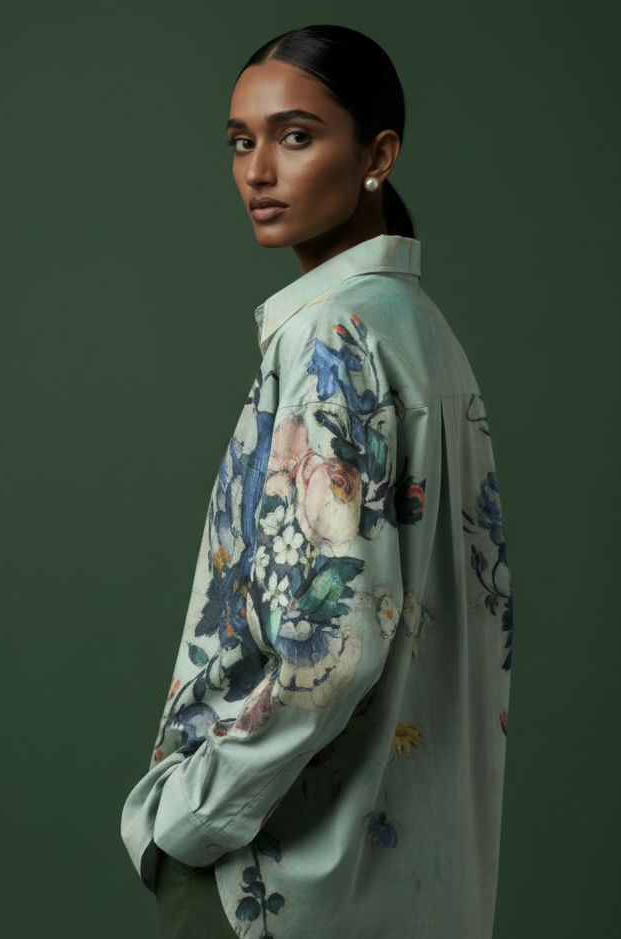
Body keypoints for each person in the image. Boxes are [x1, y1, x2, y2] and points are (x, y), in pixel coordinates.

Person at [121, 24, 513, 939]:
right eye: (240, 141)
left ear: (377, 153)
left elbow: (326, 643)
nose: (258, 169)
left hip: (277, 884)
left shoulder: (333, 335)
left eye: (295, 136)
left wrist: (186, 820)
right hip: (422, 887)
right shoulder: (422, 330)